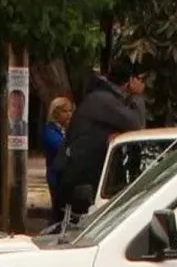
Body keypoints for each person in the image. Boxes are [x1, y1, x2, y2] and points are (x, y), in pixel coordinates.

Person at [55, 61, 146, 219]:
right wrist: (137, 96)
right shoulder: (103, 100)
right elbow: (137, 125)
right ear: (130, 81)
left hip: (88, 178)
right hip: (82, 180)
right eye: (140, 79)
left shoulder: (104, 97)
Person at [42, 96, 74, 223]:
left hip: (66, 176)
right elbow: (59, 147)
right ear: (56, 112)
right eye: (65, 111)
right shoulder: (49, 131)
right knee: (58, 212)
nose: (69, 115)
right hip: (56, 176)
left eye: (70, 111)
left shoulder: (65, 130)